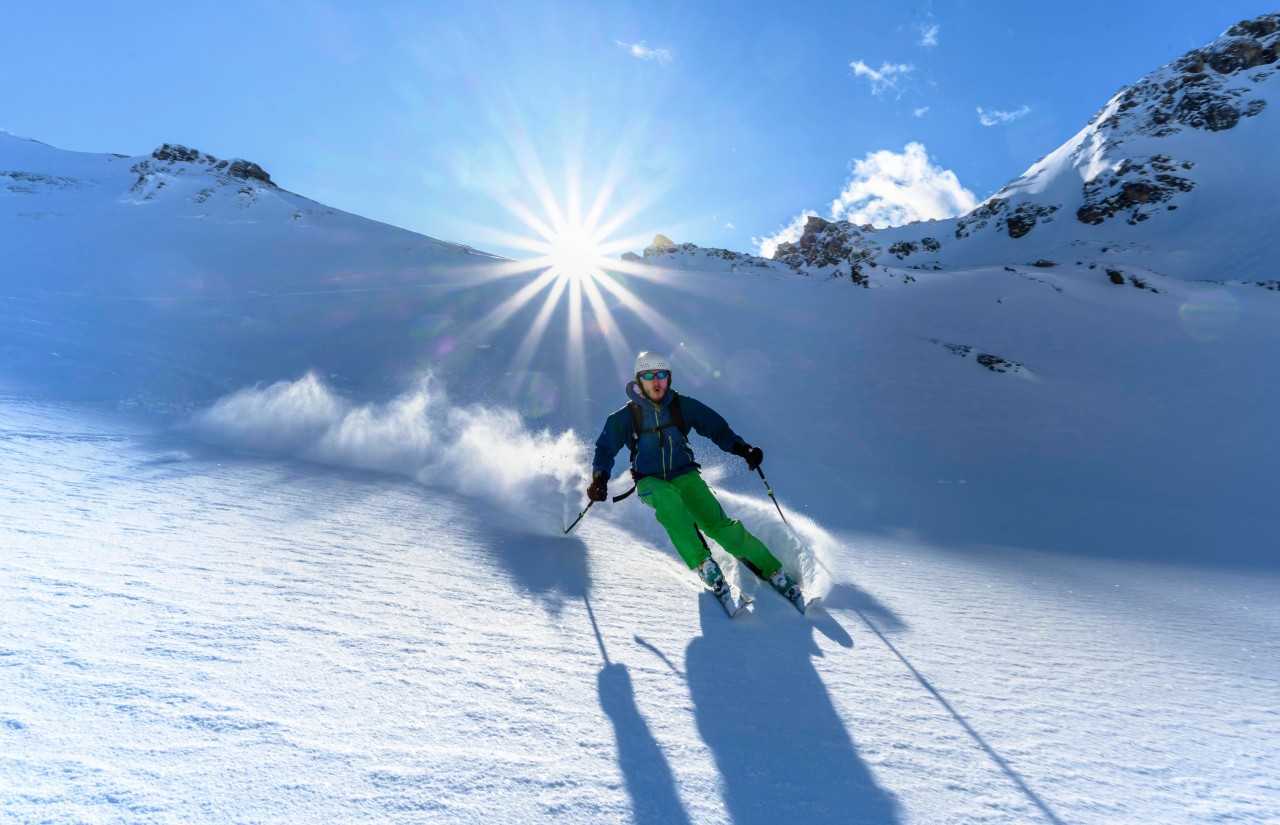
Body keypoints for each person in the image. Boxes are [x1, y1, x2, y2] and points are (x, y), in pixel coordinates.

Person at [588, 351, 806, 612]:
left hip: (686, 475)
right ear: (639, 381)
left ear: (668, 378)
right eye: (648, 376)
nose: (656, 381)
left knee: (718, 525)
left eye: (661, 375)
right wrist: (600, 478)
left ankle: (773, 571)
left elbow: (717, 429)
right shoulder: (624, 417)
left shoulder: (683, 406)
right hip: (649, 481)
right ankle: (704, 565)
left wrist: (743, 448)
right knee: (670, 504)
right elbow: (604, 450)